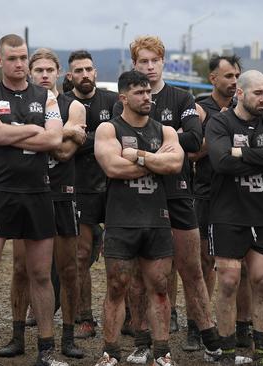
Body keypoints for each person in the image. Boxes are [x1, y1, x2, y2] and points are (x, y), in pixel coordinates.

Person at [0, 34, 66, 366]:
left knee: (40, 274)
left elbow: (56, 139)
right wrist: (34, 131)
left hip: (37, 193)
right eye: (13, 58)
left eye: (24, 58)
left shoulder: (45, 95)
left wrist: (14, 131)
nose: (20, 64)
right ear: (0, 61)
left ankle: (46, 350)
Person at [115, 35, 220, 364]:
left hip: (176, 192)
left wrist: (148, 149)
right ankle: (143, 340)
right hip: (138, 196)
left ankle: (208, 338)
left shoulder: (180, 96)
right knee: (137, 274)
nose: (149, 67)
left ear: (163, 62)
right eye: (143, 62)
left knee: (191, 268)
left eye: (154, 61)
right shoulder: (128, 99)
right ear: (135, 65)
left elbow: (193, 138)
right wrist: (168, 146)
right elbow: (118, 144)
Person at [0, 48, 86, 360]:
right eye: (39, 70)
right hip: (29, 191)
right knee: (22, 268)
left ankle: (69, 337)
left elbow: (62, 153)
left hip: (62, 192)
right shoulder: (21, 103)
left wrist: (35, 136)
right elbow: (5, 137)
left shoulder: (73, 106)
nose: (44, 75)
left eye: (50, 70)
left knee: (69, 269)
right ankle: (18, 335)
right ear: (29, 73)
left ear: (60, 72)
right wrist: (63, 133)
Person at [93, 69, 183, 366]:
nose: (148, 98)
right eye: (140, 93)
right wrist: (157, 161)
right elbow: (113, 168)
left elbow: (176, 164)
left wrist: (139, 156)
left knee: (159, 287)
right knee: (117, 287)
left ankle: (162, 353)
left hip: (157, 220)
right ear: (123, 98)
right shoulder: (109, 129)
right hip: (121, 220)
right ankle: (110, 352)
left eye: (149, 93)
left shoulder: (166, 131)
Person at [206, 69, 263, 365]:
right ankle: (227, 353)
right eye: (258, 93)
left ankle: (261, 354)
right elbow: (220, 162)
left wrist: (241, 153)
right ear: (239, 93)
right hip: (227, 214)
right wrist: (261, 157)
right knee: (229, 281)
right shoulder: (220, 121)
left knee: (262, 281)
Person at [192, 55, 252, 351]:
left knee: (241, 266)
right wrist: (219, 127)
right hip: (206, 193)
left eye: (237, 75)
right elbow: (192, 154)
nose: (233, 81)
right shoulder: (201, 109)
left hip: (241, 196)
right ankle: (199, 326)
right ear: (213, 78)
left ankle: (242, 326)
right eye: (228, 76)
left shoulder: (250, 108)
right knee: (204, 263)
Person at [64, 50, 118, 339]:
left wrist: (85, 137)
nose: (84, 74)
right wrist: (102, 137)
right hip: (80, 188)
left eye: (88, 69)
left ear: (95, 72)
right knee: (81, 256)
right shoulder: (65, 104)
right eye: (78, 70)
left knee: (119, 256)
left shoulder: (111, 100)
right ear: (69, 75)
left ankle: (126, 315)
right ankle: (85, 319)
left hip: (112, 188)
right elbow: (65, 144)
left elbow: (119, 138)